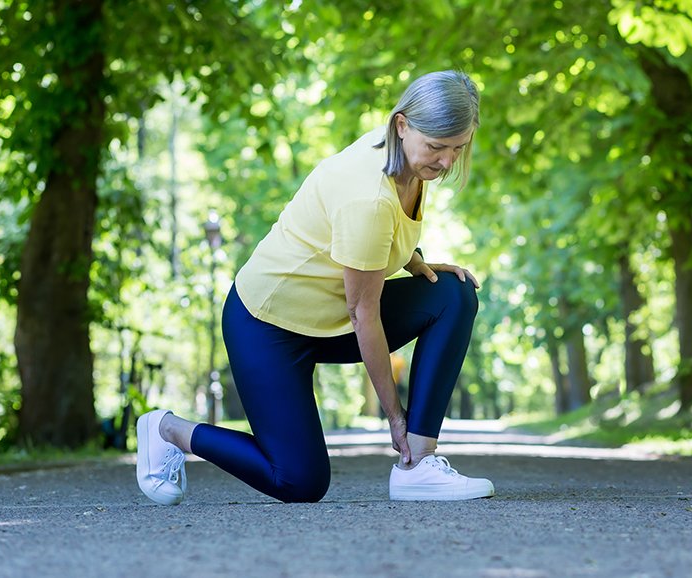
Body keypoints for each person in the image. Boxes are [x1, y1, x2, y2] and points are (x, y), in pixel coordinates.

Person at [136, 70, 495, 505]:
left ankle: (419, 466)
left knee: (452, 293)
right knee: (300, 482)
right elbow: (364, 312)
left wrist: (413, 259)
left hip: (330, 316)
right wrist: (395, 417)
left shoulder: (405, 160)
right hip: (266, 325)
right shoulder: (367, 195)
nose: (446, 162)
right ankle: (167, 429)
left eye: (458, 148)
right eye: (437, 147)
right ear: (402, 125)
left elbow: (374, 242)